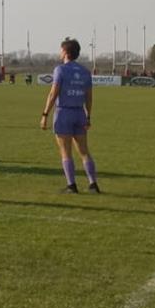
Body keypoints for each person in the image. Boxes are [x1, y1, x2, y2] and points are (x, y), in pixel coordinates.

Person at [39, 38, 100, 194]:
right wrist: (88, 116)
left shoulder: (60, 70)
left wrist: (45, 114)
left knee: (66, 152)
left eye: (61, 50)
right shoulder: (85, 72)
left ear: (66, 52)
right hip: (80, 113)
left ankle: (71, 185)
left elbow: (53, 93)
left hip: (64, 113)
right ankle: (93, 184)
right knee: (84, 151)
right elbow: (89, 97)